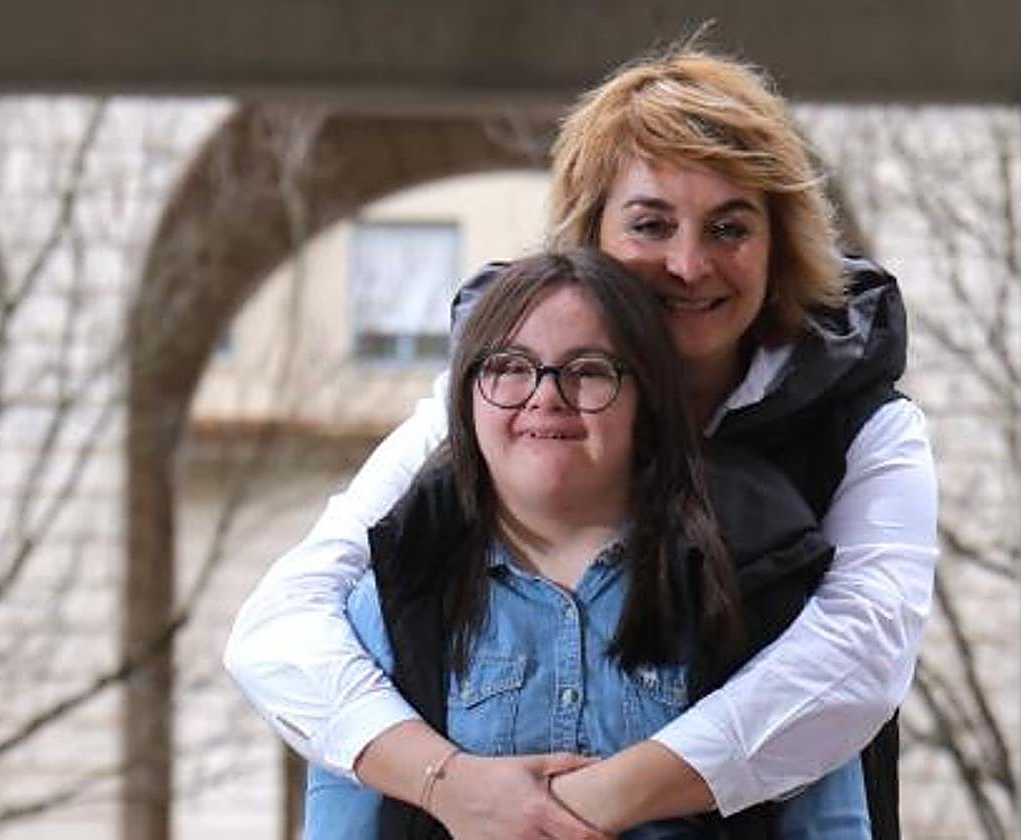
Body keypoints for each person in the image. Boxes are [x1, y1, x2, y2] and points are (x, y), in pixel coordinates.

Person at [225, 41, 938, 840]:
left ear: (778, 248)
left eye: (730, 228)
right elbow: (282, 628)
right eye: (650, 223)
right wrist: (451, 783)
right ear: (589, 237)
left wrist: (594, 803)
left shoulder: (862, 427)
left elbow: (858, 662)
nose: (688, 262)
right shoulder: (493, 405)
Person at [302, 248, 869, 839]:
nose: (546, 394)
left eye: (589, 370)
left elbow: (829, 823)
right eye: (510, 366)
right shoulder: (394, 603)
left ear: (644, 401)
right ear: (466, 399)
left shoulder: (753, 588)